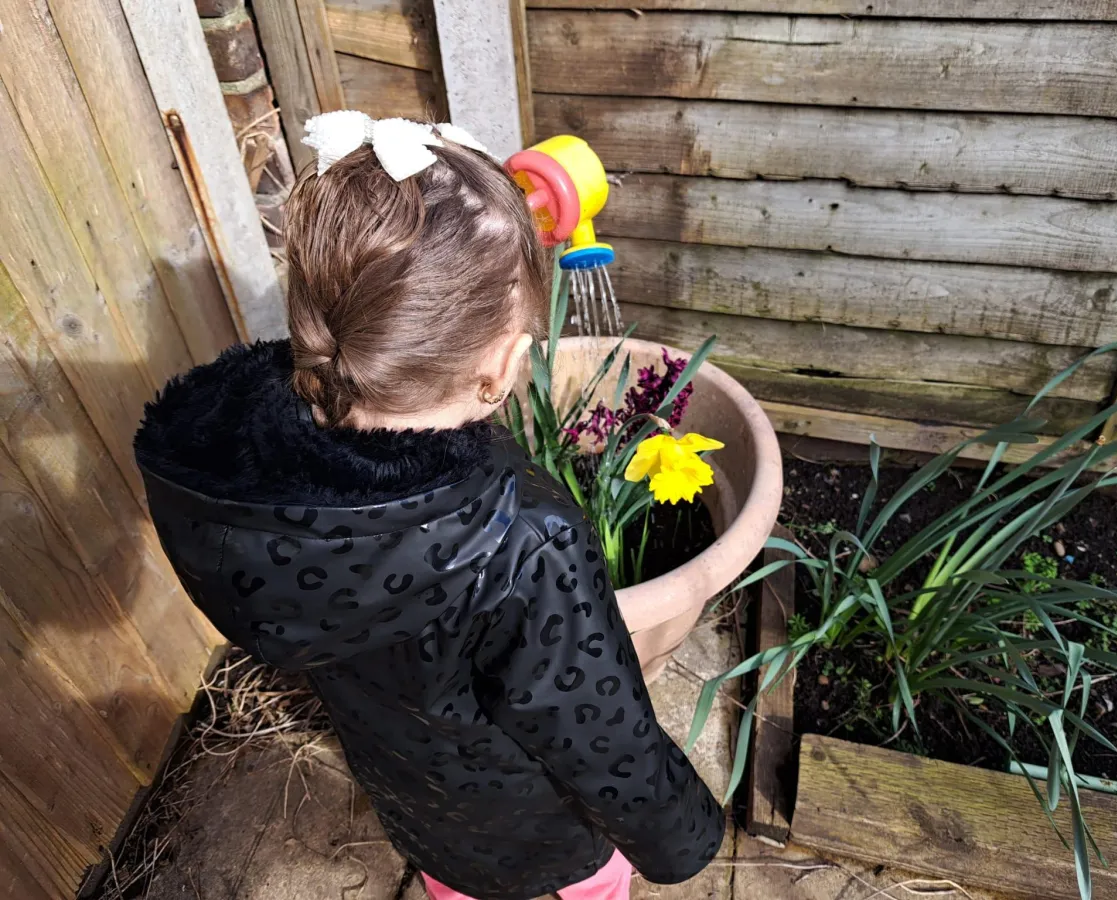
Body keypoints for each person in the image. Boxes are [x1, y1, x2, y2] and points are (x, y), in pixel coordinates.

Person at [135, 112, 725, 900]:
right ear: (507, 363)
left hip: (420, 814)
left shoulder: (223, 480)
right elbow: (596, 733)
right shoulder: (519, 541)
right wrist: (683, 835)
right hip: (541, 845)